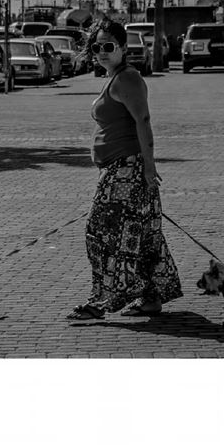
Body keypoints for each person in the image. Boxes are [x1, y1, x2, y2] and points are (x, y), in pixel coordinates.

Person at [67, 19, 183, 319]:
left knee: (101, 233)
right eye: (97, 47)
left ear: (122, 48)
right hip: (119, 170)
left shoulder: (127, 79)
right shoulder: (114, 78)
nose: (102, 52)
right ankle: (149, 297)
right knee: (139, 235)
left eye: (109, 46)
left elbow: (143, 122)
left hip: (127, 171)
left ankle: (102, 300)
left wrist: (148, 166)